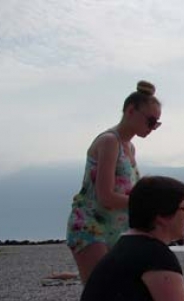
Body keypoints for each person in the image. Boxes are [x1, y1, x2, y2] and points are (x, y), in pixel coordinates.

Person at [66, 80, 162, 283]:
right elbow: (106, 196)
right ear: (130, 110)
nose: (153, 128)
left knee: (116, 291)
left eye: (157, 123)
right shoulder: (109, 141)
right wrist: (148, 204)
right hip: (91, 227)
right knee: (99, 290)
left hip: (117, 229)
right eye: (151, 121)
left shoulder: (130, 148)